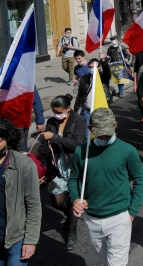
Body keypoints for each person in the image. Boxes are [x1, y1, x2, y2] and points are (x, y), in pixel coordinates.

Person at [69, 108, 143, 266]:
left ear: (116, 125)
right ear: (90, 129)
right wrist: (75, 198)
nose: (104, 138)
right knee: (105, 261)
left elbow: (139, 180)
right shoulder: (81, 151)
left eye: (107, 133)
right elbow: (74, 179)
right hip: (92, 219)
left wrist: (131, 213)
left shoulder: (128, 151)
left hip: (119, 218)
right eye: (100, 134)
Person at [38, 94, 86, 250]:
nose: (56, 115)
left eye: (59, 112)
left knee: (73, 198)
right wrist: (40, 154)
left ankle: (72, 231)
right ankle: (72, 215)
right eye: (54, 112)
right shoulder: (51, 122)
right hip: (56, 165)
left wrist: (55, 137)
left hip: (72, 164)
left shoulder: (79, 120)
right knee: (57, 202)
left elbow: (77, 144)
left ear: (68, 109)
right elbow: (45, 143)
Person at [0, 119, 41, 265]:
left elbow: (33, 205)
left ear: (8, 138)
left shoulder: (23, 164)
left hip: (16, 237)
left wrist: (31, 240)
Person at [74, 58, 111, 132]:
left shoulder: (102, 78)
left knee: (100, 131)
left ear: (99, 67)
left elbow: (108, 73)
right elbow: (80, 95)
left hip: (100, 111)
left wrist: (103, 61)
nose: (91, 69)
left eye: (93, 67)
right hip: (87, 109)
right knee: (86, 132)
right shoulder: (84, 79)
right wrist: (76, 108)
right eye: (90, 67)